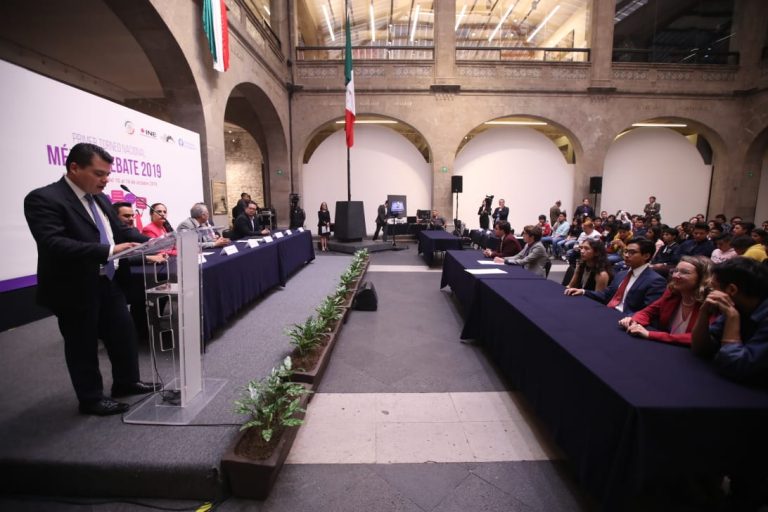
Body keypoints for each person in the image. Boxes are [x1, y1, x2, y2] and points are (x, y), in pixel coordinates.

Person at [23, 142, 159, 416]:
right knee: (82, 344)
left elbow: (120, 231)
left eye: (107, 174)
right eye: (99, 174)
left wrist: (155, 241)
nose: (105, 180)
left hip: (107, 281)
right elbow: (54, 243)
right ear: (74, 168)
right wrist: (107, 251)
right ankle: (91, 398)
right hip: (72, 287)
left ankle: (126, 382)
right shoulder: (44, 199)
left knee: (123, 333)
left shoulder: (101, 199)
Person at [691, 257, 768, 384]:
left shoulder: (734, 311)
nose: (710, 293)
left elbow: (735, 367)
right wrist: (703, 314)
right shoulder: (737, 305)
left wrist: (732, 318)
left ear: (732, 290)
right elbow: (700, 349)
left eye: (714, 288)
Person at [619, 256, 712, 345]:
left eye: (685, 272)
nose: (676, 276)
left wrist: (651, 334)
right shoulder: (672, 294)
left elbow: (699, 339)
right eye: (676, 271)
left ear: (702, 278)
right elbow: (648, 312)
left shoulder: (711, 303)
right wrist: (635, 320)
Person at [565, 238, 667, 316]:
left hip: (625, 319)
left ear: (646, 256)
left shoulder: (655, 280)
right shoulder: (622, 274)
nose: (626, 255)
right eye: (626, 251)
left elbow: (648, 311)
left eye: (632, 252)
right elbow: (606, 295)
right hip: (607, 313)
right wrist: (583, 292)